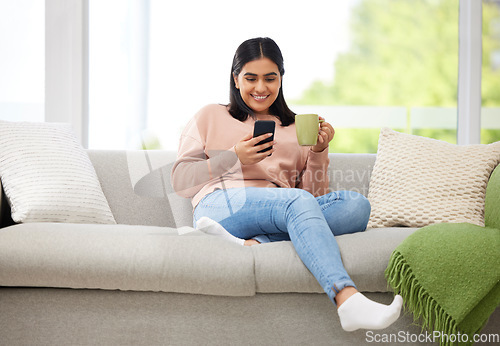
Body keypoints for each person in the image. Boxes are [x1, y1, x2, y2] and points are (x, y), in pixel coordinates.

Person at [171, 37, 402, 332]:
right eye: (250, 78)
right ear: (235, 79)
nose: (260, 88)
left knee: (357, 205)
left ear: (281, 79)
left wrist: (318, 152)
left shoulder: (295, 128)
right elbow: (180, 181)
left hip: (282, 208)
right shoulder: (210, 116)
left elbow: (312, 199)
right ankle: (346, 298)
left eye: (270, 78)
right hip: (220, 204)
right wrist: (234, 157)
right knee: (296, 202)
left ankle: (254, 244)